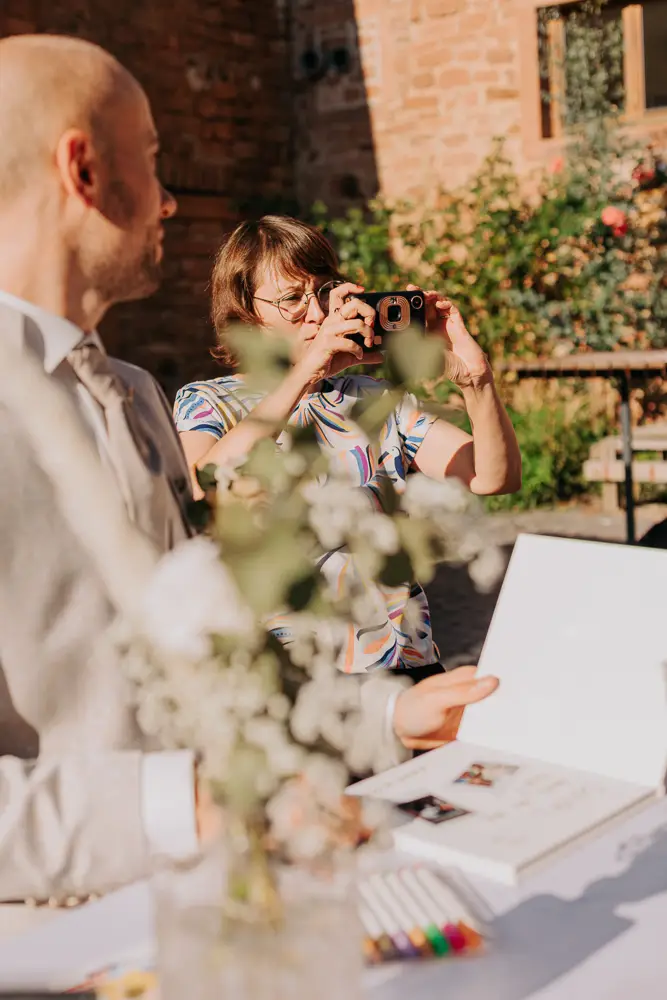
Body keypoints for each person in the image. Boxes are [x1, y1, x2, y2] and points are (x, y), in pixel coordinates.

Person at [0, 36, 498, 904]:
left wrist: (380, 714)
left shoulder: (132, 394)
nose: (168, 205)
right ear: (82, 170)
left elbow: (204, 658)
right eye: (154, 165)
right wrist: (183, 806)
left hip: (206, 902)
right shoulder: (189, 407)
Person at [174, 216, 521, 675]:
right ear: (245, 310)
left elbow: (493, 477)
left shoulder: (371, 399)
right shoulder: (209, 402)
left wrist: (476, 381)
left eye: (320, 293)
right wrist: (306, 374)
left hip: (405, 663)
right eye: (292, 300)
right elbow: (201, 489)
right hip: (302, 680)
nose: (315, 314)